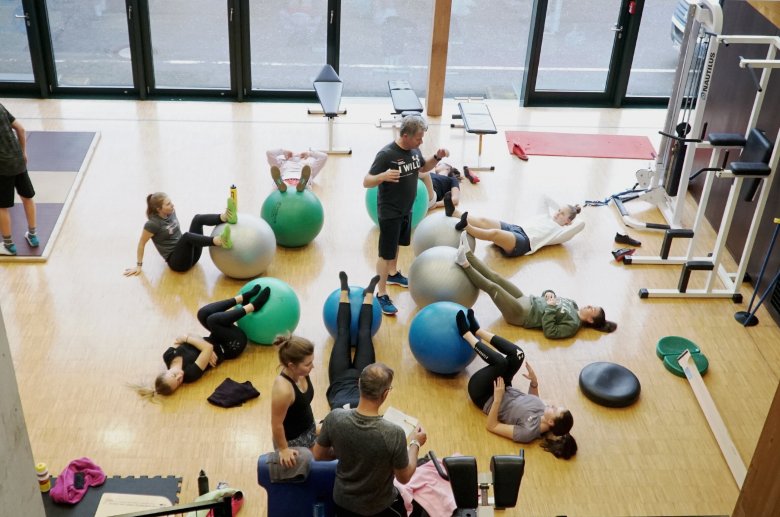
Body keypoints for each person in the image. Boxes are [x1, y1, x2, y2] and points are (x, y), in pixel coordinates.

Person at [456, 309, 577, 459]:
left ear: (551, 421)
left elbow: (492, 426)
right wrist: (534, 383)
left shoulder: (527, 432)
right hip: (504, 386)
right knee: (518, 354)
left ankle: (466, 334)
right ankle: (478, 331)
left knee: (500, 362)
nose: (552, 405)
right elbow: (531, 402)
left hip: (484, 395)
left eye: (555, 409)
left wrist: (498, 399)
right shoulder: (543, 411)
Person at [313, 362, 428, 516]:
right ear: (386, 393)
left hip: (342, 502)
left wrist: (345, 451)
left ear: (359, 384)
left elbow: (318, 455)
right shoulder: (394, 433)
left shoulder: (334, 418)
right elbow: (404, 477)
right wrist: (415, 443)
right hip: (378, 508)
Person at [363, 115, 450, 316]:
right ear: (405, 135)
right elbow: (367, 181)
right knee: (385, 253)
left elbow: (422, 168)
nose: (421, 141)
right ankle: (381, 292)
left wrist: (436, 157)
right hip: (390, 212)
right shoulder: (386, 154)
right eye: (419, 138)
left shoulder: (413, 150)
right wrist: (382, 176)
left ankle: (393, 274)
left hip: (406, 209)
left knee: (396, 246)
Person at [455, 233, 616, 339]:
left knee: (493, 288)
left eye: (592, 309)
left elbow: (550, 332)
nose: (589, 305)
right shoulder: (572, 304)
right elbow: (550, 297)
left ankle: (464, 263)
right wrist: (549, 293)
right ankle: (469, 255)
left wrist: (552, 308)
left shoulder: (573, 325)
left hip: (520, 314)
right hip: (527, 299)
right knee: (497, 278)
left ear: (590, 320)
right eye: (592, 305)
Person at [133, 285, 270, 399]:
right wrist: (190, 340)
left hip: (216, 337)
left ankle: (242, 298)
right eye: (179, 382)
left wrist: (192, 340)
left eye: (174, 375)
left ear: (166, 372)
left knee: (203, 314)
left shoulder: (168, 355)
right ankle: (253, 306)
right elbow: (203, 345)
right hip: (232, 345)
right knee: (212, 320)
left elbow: (192, 337)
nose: (180, 376)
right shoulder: (190, 374)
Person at [124, 192, 235, 275]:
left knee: (197, 219)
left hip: (191, 255)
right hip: (178, 263)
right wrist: (138, 266)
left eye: (171, 202)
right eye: (168, 204)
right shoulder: (152, 224)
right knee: (186, 236)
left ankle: (225, 216)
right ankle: (219, 241)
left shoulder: (171, 212)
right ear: (159, 209)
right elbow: (141, 243)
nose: (172, 205)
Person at [446, 195, 584, 257]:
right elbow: (544, 197)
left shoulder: (559, 233)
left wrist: (571, 218)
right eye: (558, 211)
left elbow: (581, 224)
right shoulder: (545, 215)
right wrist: (562, 208)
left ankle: (466, 226)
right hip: (514, 228)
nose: (557, 213)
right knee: (484, 221)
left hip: (523, 242)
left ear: (568, 221)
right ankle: (454, 212)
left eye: (562, 214)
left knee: (494, 233)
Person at [326, 271, 381, 411]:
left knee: (343, 333)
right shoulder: (367, 417)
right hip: (363, 380)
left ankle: (344, 291)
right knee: (365, 334)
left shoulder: (337, 420)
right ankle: (369, 294)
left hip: (339, 379)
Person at [270, 334, 316, 468]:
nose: (312, 367)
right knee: (320, 468)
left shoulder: (302, 373)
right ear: (292, 366)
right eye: (308, 364)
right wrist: (284, 450)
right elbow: (276, 424)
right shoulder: (283, 390)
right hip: (293, 441)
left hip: (309, 429)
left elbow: (301, 406)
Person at [0, 103, 38, 256]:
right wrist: (23, 152)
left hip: (2, 167)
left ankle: (9, 246)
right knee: (27, 197)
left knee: (2, 207)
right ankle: (33, 235)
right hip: (18, 160)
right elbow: (21, 129)